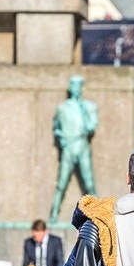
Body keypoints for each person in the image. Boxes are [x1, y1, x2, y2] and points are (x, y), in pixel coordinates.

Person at [49, 75, 98, 222]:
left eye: (79, 86)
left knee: (89, 183)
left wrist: (84, 112)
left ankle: (99, 215)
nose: (76, 89)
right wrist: (61, 138)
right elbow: (56, 127)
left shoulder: (89, 107)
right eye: (74, 86)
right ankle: (53, 215)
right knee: (62, 183)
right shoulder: (62, 108)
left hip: (82, 146)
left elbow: (91, 127)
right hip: (68, 147)